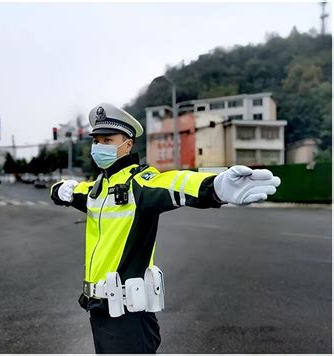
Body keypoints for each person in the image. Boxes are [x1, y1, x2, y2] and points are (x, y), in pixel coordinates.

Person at [50, 103, 281, 354]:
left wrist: (214, 187)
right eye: (96, 140)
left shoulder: (138, 183)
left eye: (108, 140)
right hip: (99, 309)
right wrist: (60, 189)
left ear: (127, 144)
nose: (99, 147)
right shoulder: (98, 189)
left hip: (126, 313)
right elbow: (70, 191)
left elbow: (175, 182)